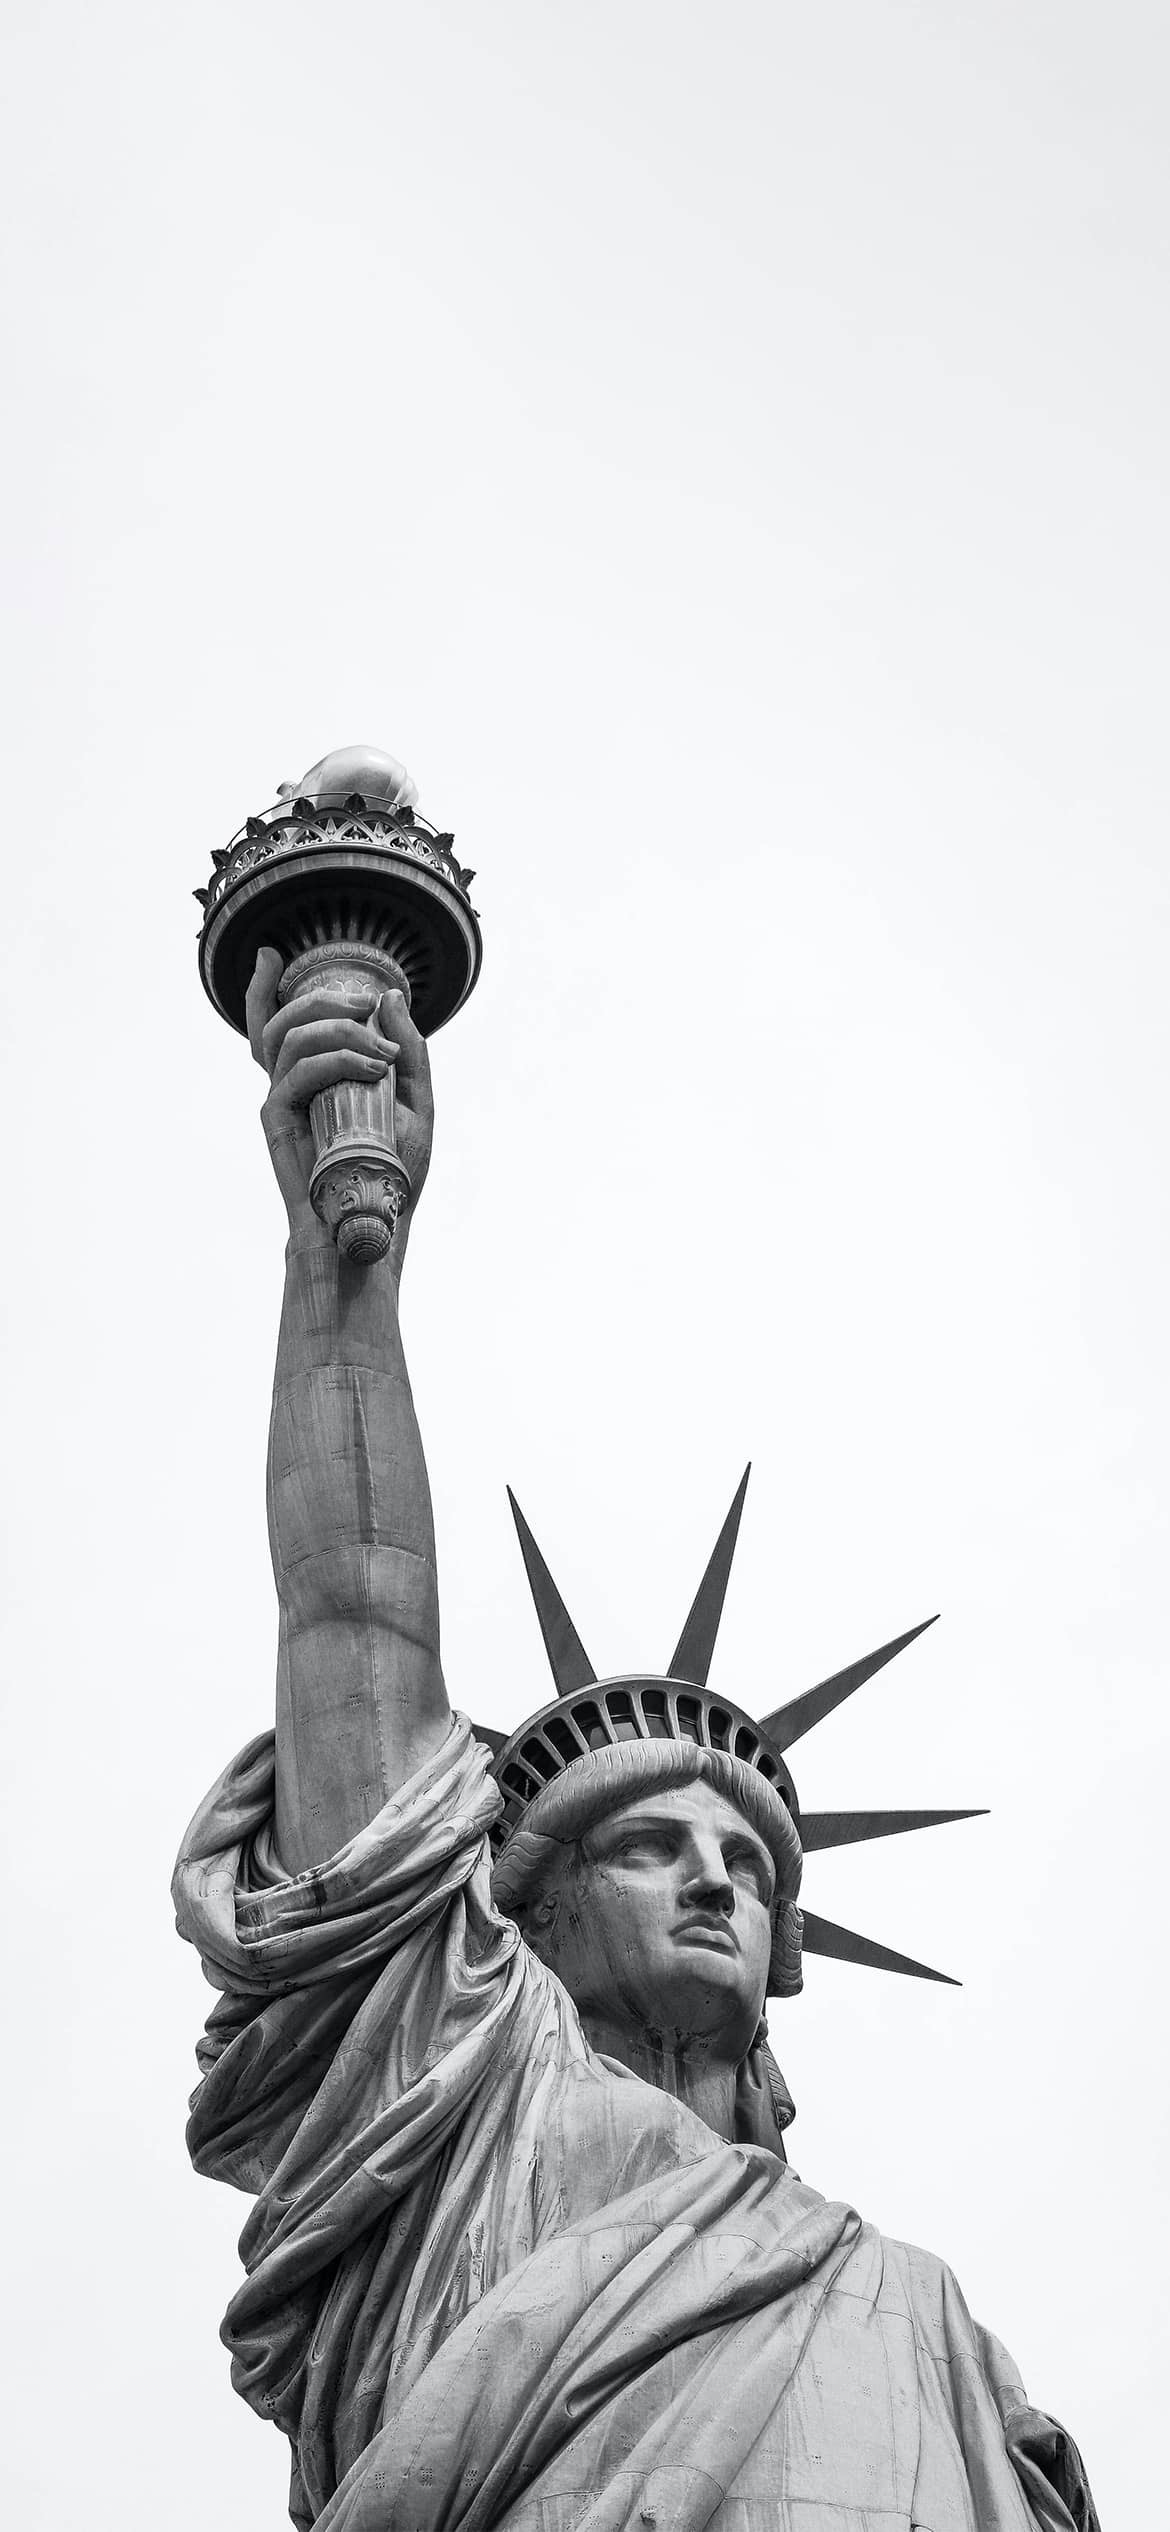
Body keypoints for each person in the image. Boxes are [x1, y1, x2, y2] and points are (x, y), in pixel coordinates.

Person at [174, 956, 1099, 2532]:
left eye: (744, 1863)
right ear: (520, 1907)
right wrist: (340, 1264)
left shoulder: (924, 2315)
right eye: (651, 1845)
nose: (712, 1882)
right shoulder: (462, 2106)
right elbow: (356, 1618)